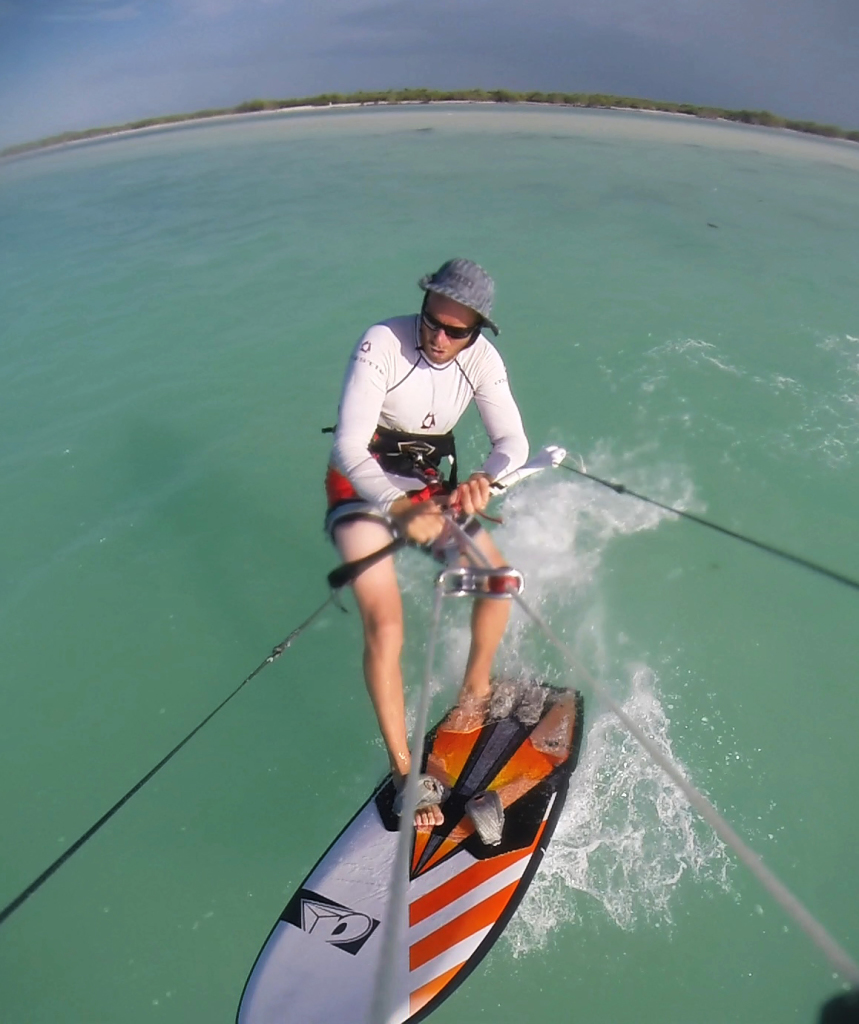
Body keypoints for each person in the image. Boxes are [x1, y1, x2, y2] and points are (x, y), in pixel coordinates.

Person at [325, 259, 528, 829]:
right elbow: (347, 444)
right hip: (363, 485)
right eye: (432, 323)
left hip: (428, 484)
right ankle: (404, 769)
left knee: (499, 580)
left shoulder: (483, 361)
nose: (439, 339)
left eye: (455, 331)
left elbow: (512, 440)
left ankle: (475, 692)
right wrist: (395, 507)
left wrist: (489, 477)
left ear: (478, 330)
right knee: (386, 624)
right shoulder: (381, 342)